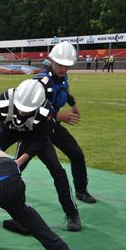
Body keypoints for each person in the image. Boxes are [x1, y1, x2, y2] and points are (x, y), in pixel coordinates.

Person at [0, 79, 81, 231]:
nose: (22, 112)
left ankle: (72, 214)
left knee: (57, 171)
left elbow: (40, 140)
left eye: (27, 110)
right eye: (20, 108)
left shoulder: (47, 111)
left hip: (34, 137)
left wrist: (20, 160)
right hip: (8, 131)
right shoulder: (4, 100)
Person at [34, 41, 96, 203]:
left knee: (76, 154)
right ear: (52, 61)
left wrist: (73, 105)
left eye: (67, 66)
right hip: (35, 131)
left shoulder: (62, 77)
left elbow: (65, 92)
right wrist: (58, 116)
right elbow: (34, 109)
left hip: (53, 126)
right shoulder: (41, 81)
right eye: (60, 65)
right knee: (20, 164)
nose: (63, 69)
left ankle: (81, 191)